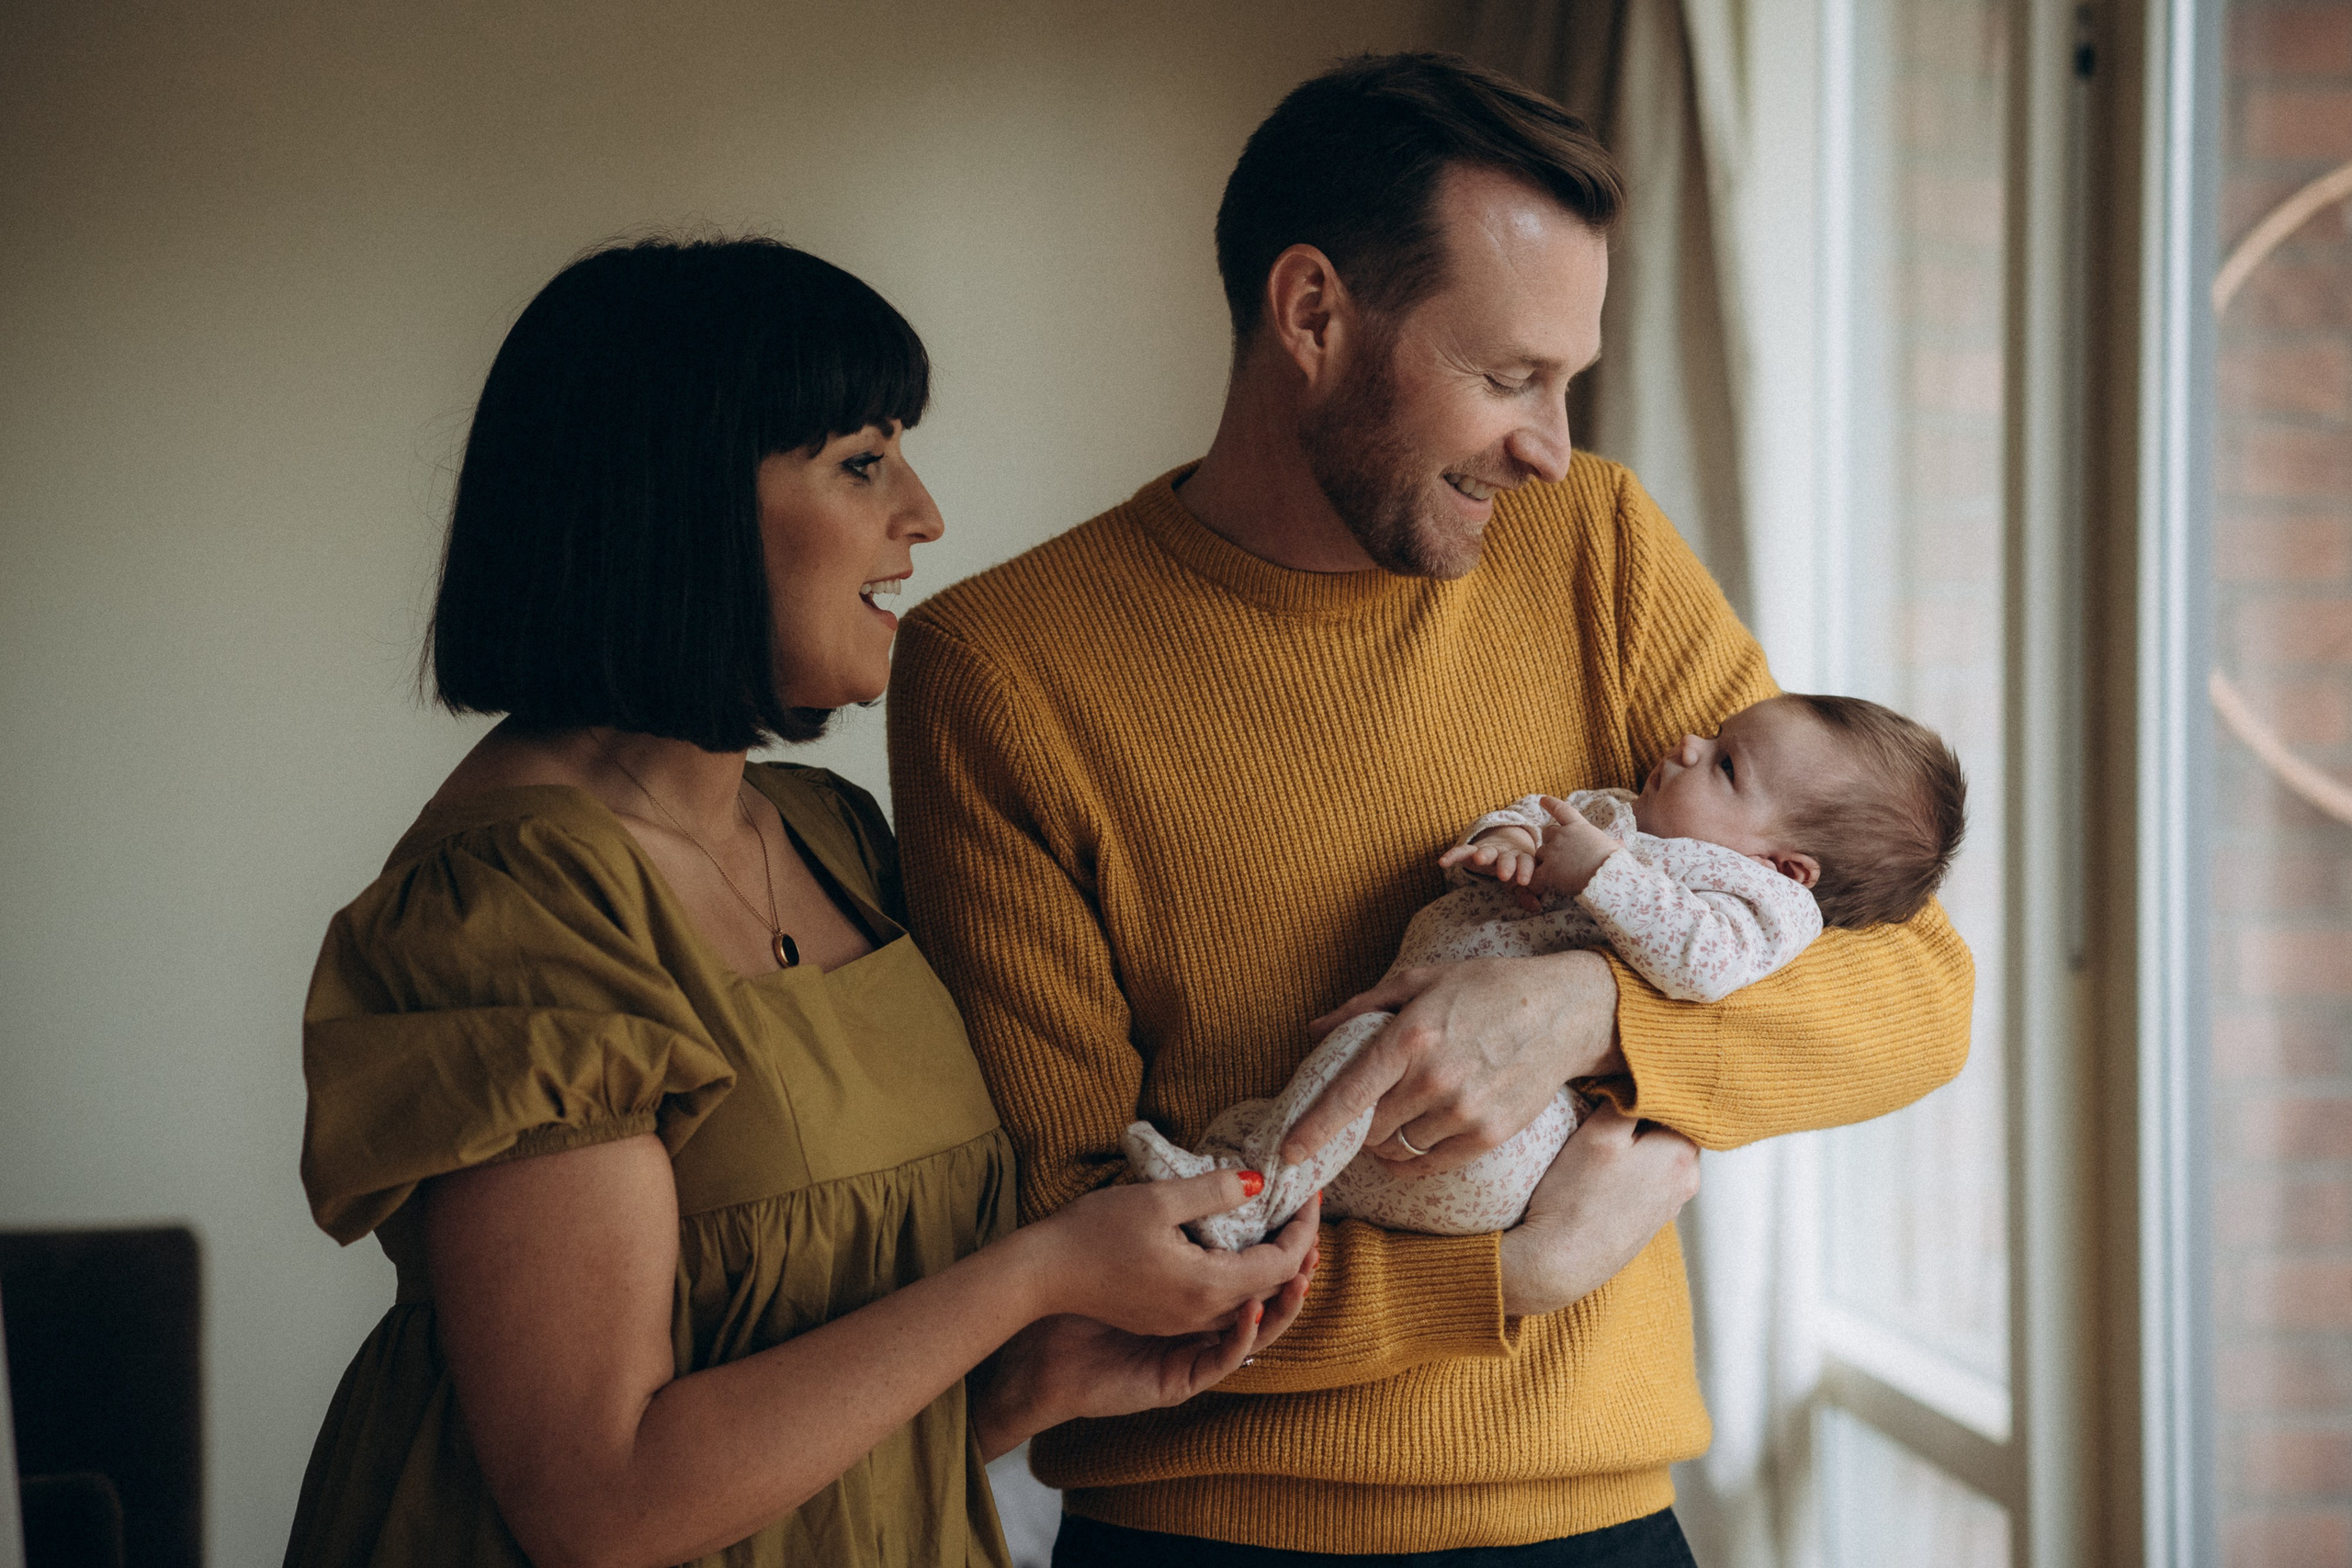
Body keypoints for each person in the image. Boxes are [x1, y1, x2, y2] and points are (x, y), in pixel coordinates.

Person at [887, 53, 1975, 1565]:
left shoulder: (1593, 544)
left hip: (1600, 1526)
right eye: (1512, 374)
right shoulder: (1003, 670)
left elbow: (1913, 988)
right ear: (1314, 314)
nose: (1553, 443)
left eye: (1569, 380)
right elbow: (1073, 1239)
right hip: (1202, 1535)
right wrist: (1506, 1280)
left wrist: (1583, 1011)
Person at [285, 236, 1319, 1568]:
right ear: (681, 503)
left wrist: (1031, 1379)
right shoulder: (508, 913)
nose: (926, 513)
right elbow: (600, 1498)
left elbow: (813, 1392)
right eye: (862, 461)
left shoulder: (837, 839)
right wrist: (1037, 1270)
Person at [1123, 693, 1969, 1251]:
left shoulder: (1759, 902)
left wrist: (1598, 888)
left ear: (1790, 868)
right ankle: (1247, 1189)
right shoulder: (1628, 813)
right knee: (1275, 1113)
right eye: (1715, 736)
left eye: (1726, 764)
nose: (1687, 740)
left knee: (1355, 1071)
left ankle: (1244, 1203)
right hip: (1434, 1098)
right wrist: (1510, 843)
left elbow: (1705, 961)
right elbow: (1541, 818)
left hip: (1505, 1140)